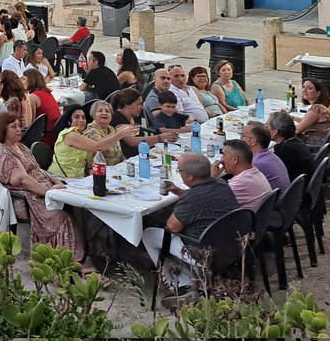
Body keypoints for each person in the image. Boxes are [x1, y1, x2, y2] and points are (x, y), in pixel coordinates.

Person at [0, 113, 90, 269]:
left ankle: (90, 252)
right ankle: (70, 259)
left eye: (19, 126)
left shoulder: (20, 146)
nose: (19, 130)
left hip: (44, 189)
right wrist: (48, 191)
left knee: (79, 205)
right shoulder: (1, 152)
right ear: (2, 129)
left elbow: (37, 169)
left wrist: (57, 182)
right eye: (13, 127)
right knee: (61, 216)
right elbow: (22, 179)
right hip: (27, 196)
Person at [145, 153, 240, 289]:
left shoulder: (192, 198)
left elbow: (172, 227)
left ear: (189, 176)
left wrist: (178, 207)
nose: (179, 173)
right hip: (230, 244)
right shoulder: (221, 183)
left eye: (180, 171)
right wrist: (179, 192)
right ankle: (191, 274)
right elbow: (202, 199)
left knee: (149, 234)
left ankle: (182, 284)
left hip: (203, 250)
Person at [50, 105, 136, 177]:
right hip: (61, 177)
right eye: (77, 117)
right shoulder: (70, 135)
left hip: (78, 178)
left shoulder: (81, 134)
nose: (81, 120)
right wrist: (121, 133)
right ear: (69, 121)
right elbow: (97, 147)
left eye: (83, 118)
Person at [267, 111, 316, 180]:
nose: (265, 129)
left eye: (267, 126)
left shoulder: (284, 151)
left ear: (275, 132)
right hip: (303, 183)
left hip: (296, 187)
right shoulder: (295, 141)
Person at [242, 121, 290, 191]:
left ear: (253, 141)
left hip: (274, 201)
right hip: (284, 199)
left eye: (243, 135)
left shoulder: (256, 163)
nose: (240, 139)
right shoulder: (270, 155)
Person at [21, 68, 61, 145]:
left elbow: (30, 123)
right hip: (55, 132)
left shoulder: (33, 97)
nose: (22, 82)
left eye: (24, 79)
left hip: (45, 136)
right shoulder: (47, 93)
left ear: (31, 80)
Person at [293, 79, 330, 147]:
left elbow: (297, 130)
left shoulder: (316, 109)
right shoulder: (327, 105)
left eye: (309, 88)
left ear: (318, 93)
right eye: (303, 87)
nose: (304, 90)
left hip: (318, 149)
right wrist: (292, 118)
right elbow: (308, 121)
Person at [81, 101, 126, 166]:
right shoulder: (90, 129)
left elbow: (119, 152)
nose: (104, 113)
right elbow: (100, 145)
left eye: (107, 111)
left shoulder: (111, 129)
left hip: (115, 169)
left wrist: (126, 162)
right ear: (93, 115)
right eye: (100, 111)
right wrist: (120, 133)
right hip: (98, 170)